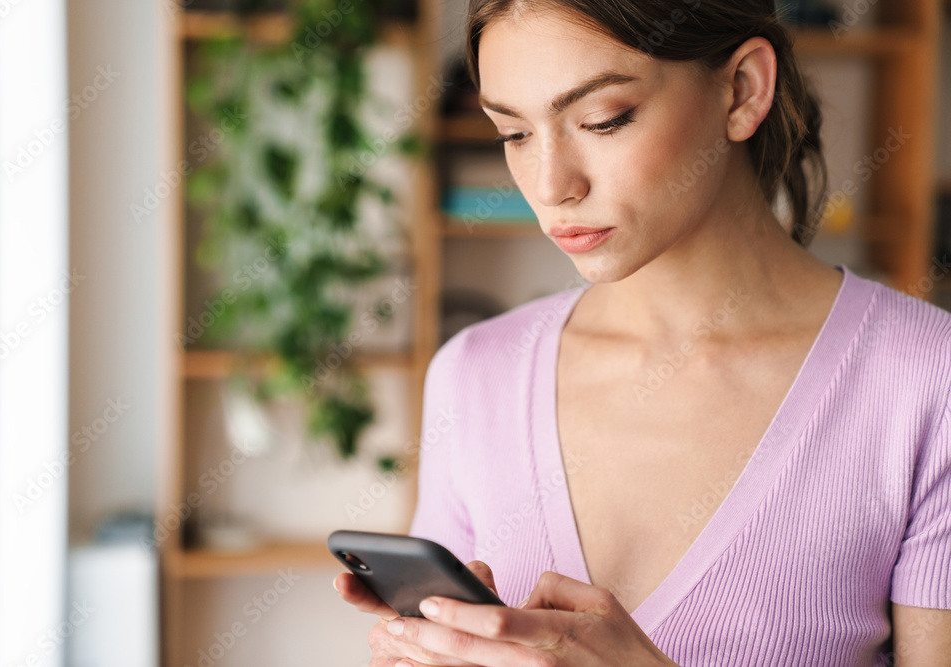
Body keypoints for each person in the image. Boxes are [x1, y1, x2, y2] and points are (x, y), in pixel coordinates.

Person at [334, 0, 951, 664]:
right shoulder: (475, 373)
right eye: (513, 133)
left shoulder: (925, 380)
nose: (551, 185)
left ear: (742, 89)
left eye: (603, 120)